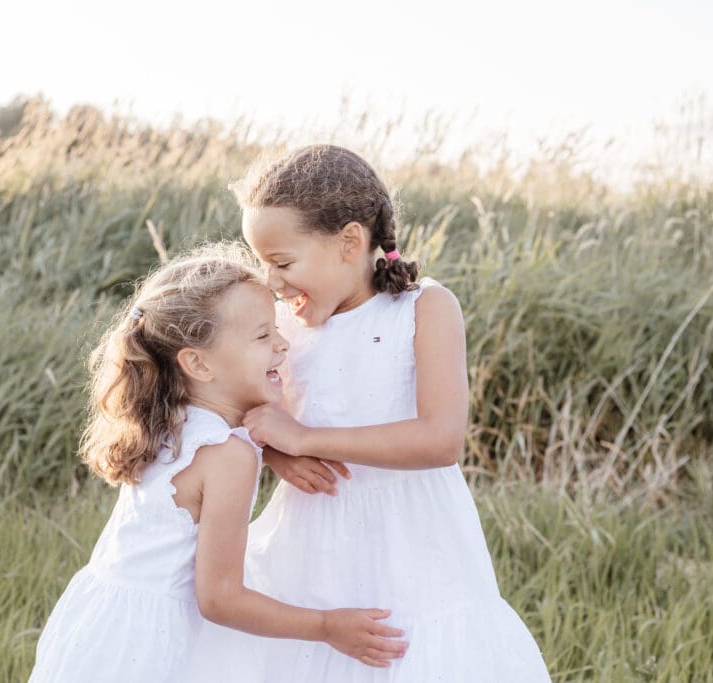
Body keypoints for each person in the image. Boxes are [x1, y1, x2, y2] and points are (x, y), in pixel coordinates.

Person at [235, 146, 552, 681]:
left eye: (283, 262)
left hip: (417, 546)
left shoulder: (425, 309)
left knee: (411, 656)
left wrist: (306, 439)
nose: (271, 281)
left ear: (350, 242)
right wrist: (276, 454)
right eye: (260, 263)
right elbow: (241, 412)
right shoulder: (280, 325)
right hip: (313, 542)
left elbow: (440, 439)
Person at [29, 245, 407, 682]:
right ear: (198, 363)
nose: (283, 344)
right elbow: (221, 599)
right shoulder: (229, 456)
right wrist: (325, 627)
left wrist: (274, 450)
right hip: (154, 646)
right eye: (264, 336)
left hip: (99, 627)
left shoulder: (169, 419)